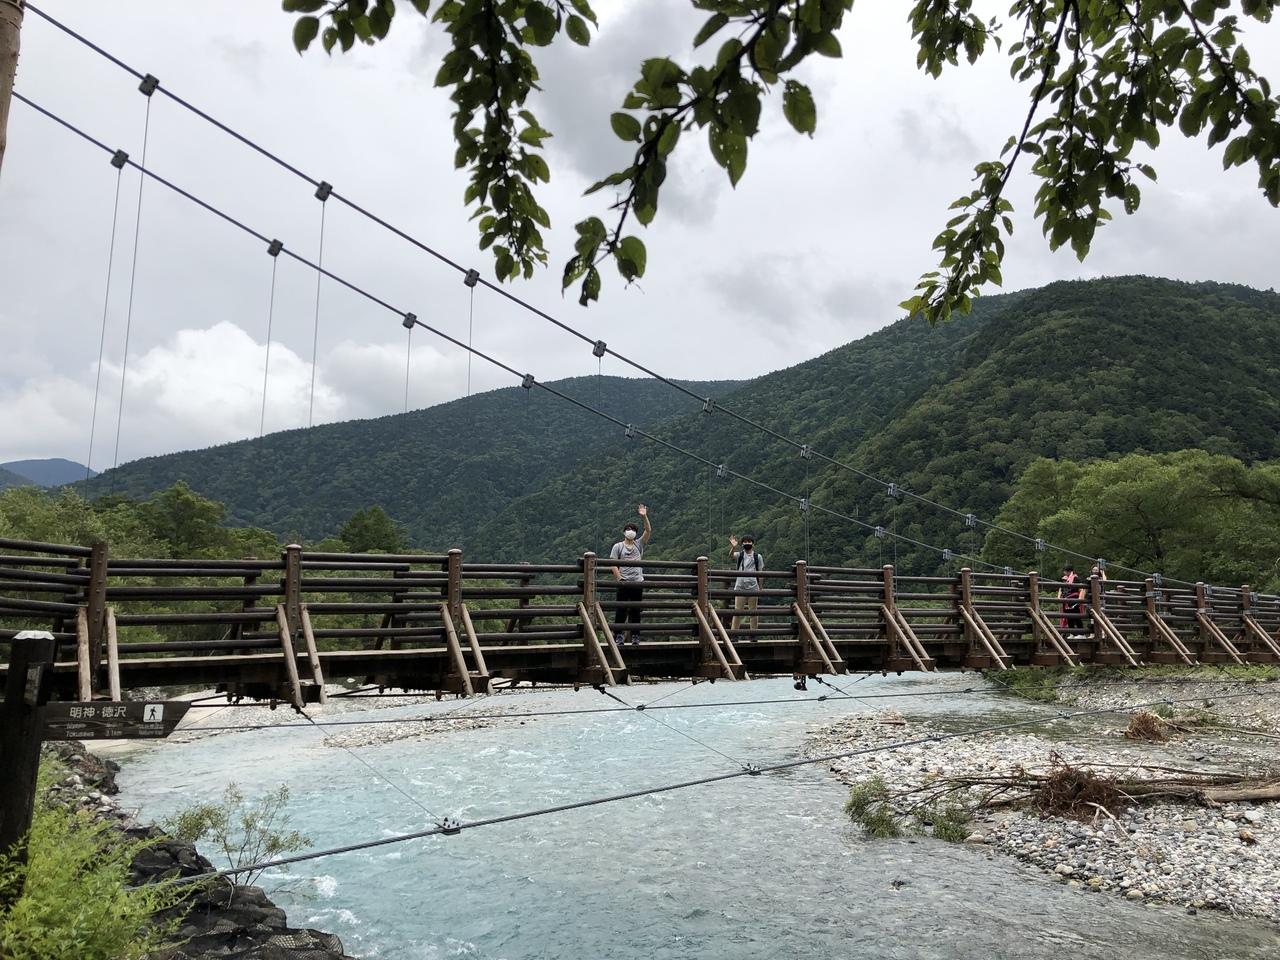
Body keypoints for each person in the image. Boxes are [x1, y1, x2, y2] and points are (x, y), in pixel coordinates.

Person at [609, 504, 651, 646]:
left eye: (633, 530)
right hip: (623, 582)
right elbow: (612, 563)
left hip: (638, 582)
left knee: (636, 610)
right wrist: (619, 577)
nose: (630, 531)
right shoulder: (618, 546)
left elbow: (648, 530)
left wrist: (644, 516)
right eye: (628, 529)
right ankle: (619, 636)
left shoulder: (639, 544)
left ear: (636, 533)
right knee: (620, 610)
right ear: (624, 532)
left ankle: (635, 636)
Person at [727, 534, 763, 637]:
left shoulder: (758, 556)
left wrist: (760, 587)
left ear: (753, 544)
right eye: (745, 542)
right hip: (740, 586)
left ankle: (753, 635)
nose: (747, 543)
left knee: (753, 612)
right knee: (737, 612)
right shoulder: (740, 555)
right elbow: (731, 556)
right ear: (742, 544)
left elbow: (761, 572)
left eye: (749, 541)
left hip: (753, 587)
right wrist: (733, 547)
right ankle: (734, 635)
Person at [1059, 563, 1086, 638]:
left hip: (1074, 599)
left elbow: (1081, 589)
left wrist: (1080, 600)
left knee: (1076, 616)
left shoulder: (1076, 579)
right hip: (1066, 600)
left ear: (1070, 571)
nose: (1065, 572)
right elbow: (1061, 589)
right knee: (1068, 617)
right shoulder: (1064, 579)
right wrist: (1059, 598)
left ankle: (1082, 634)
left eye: (1066, 571)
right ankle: (1072, 633)